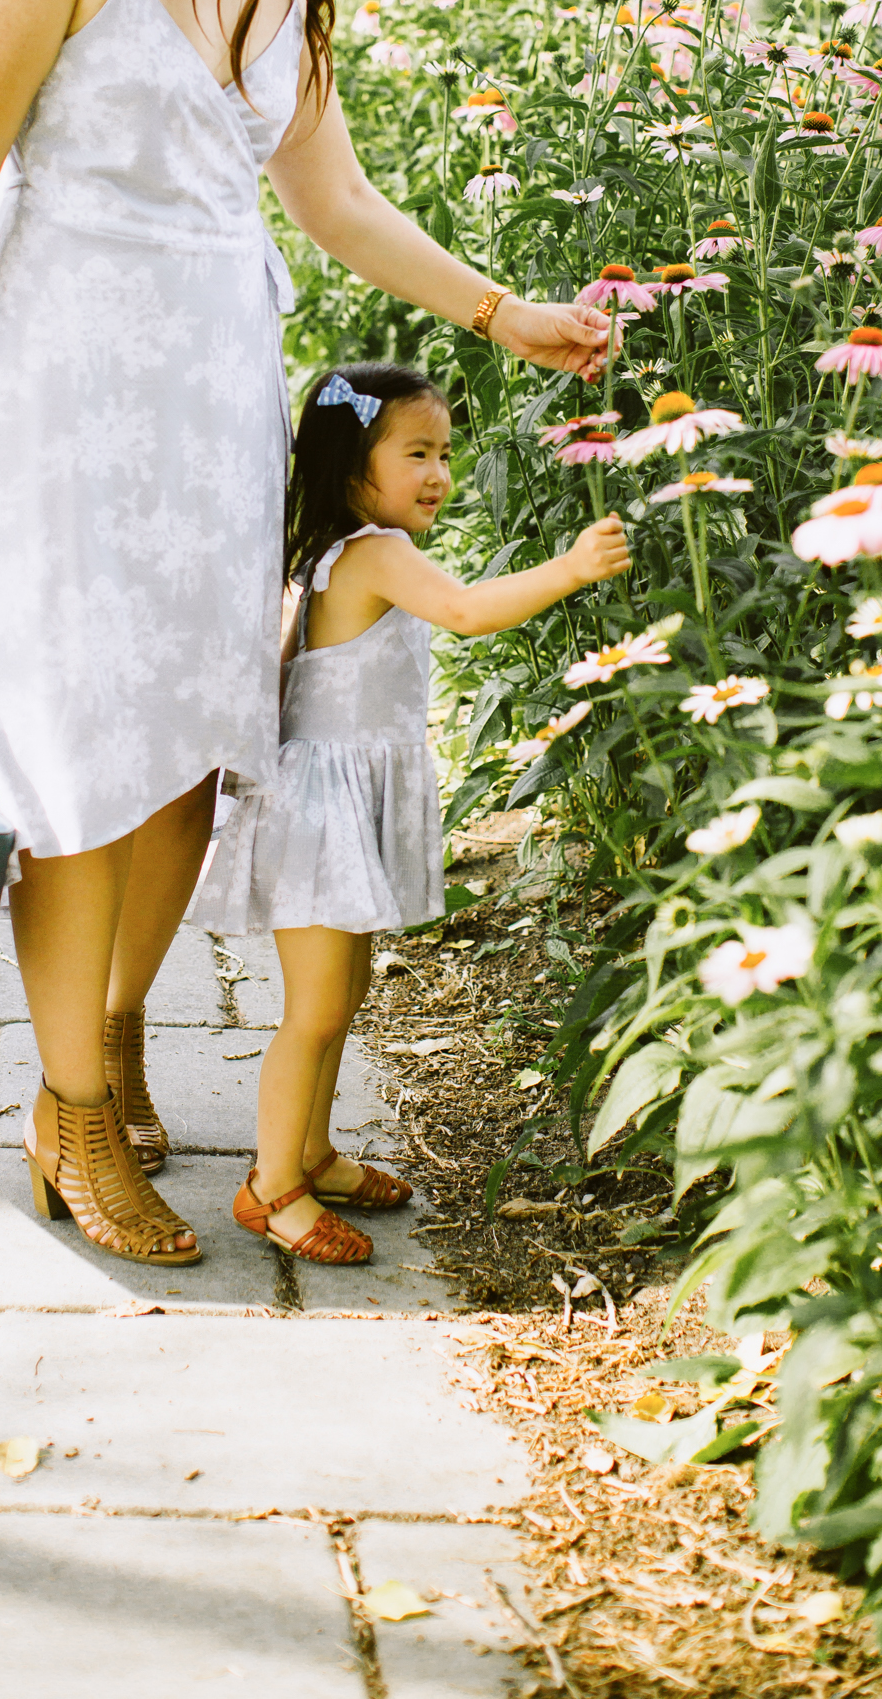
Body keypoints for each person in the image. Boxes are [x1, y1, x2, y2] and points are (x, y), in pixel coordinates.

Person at [0, 0, 615, 1268]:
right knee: (75, 761)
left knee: (193, 748)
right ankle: (67, 1114)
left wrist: (506, 316)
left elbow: (330, 200)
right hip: (57, 396)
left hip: (212, 402)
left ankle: (114, 1031)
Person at [190, 361, 629, 1265]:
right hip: (323, 810)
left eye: (446, 453)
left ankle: (310, 1152)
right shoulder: (375, 553)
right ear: (355, 468)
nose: (440, 474)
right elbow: (466, 612)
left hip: (335, 801)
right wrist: (574, 567)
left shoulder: (340, 550)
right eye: (418, 453)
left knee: (342, 995)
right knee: (314, 1009)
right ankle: (271, 1187)